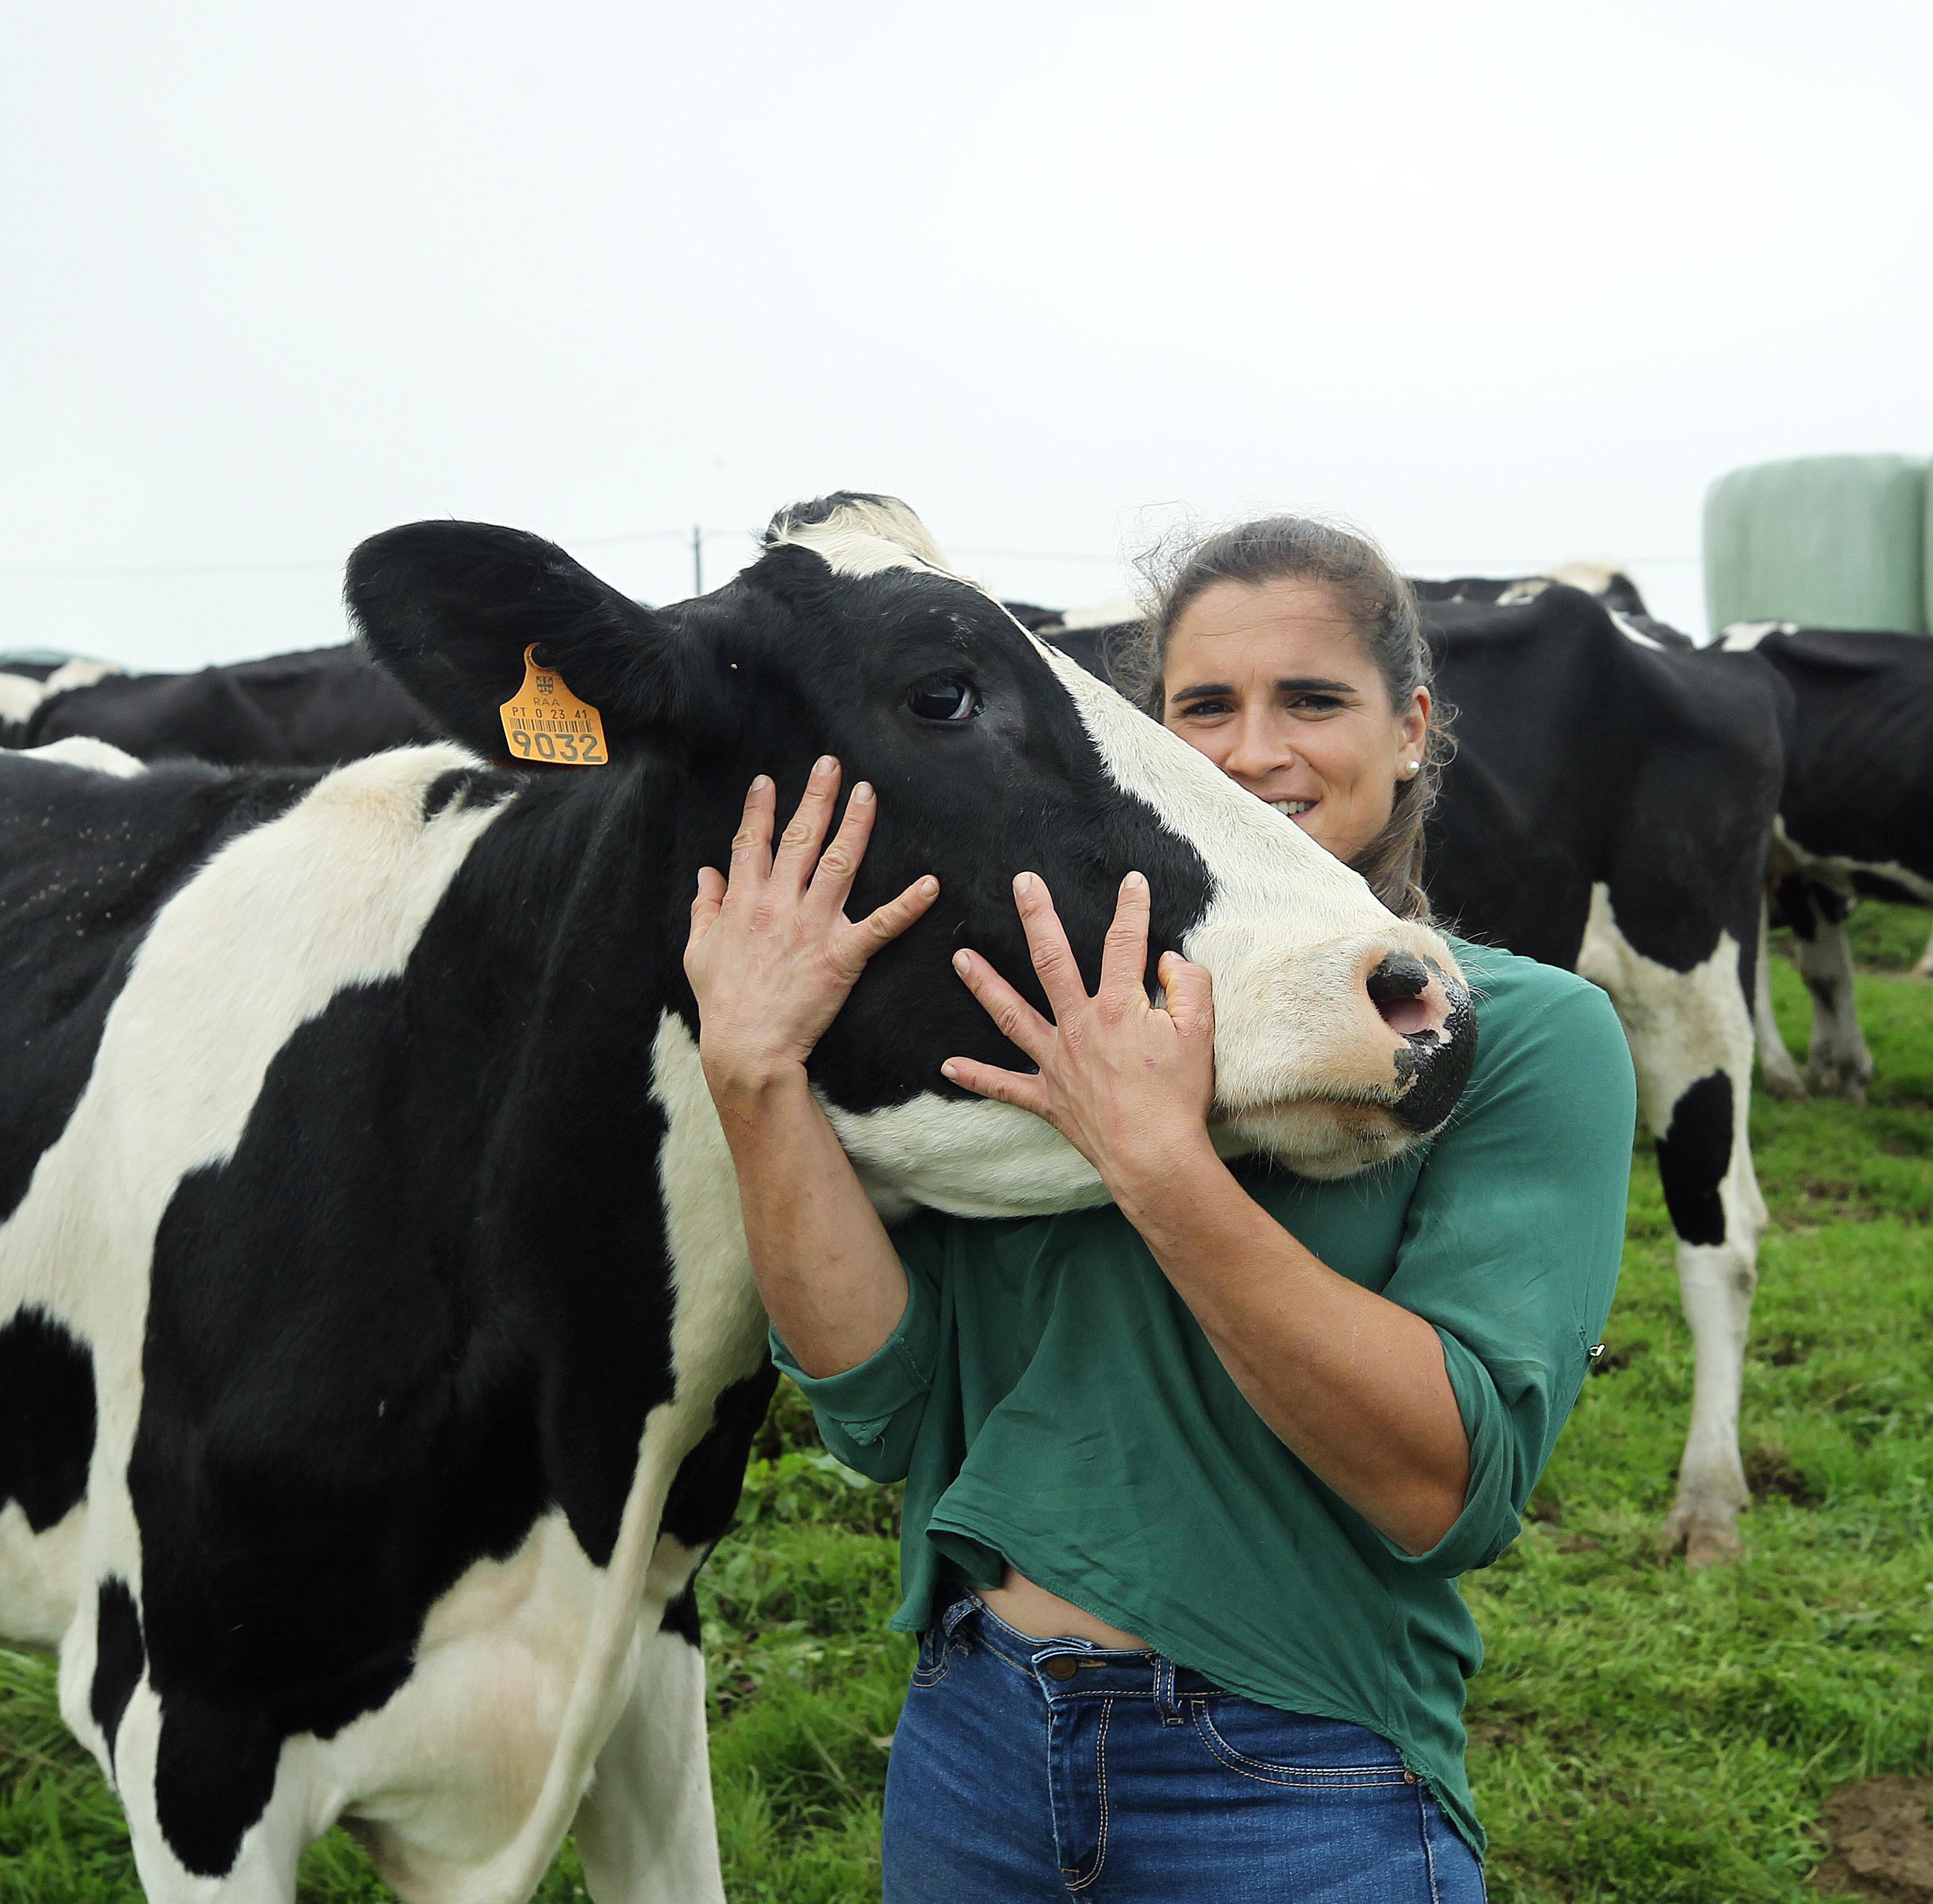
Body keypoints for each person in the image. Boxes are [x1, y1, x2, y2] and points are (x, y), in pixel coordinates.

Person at [682, 517, 1636, 1902]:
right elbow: (877, 1412)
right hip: (971, 1744)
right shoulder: (1049, 1003)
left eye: (1314, 700)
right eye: (1205, 707)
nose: (1256, 751)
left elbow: (1448, 1491)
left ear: (1412, 726)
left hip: (1299, 1781)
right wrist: (756, 1073)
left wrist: (1160, 1162)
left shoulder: (1516, 1032)